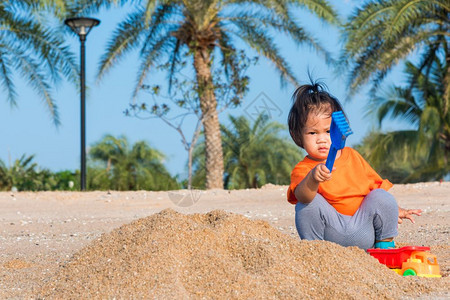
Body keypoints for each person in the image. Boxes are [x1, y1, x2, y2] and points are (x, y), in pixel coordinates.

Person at [287, 82, 421, 250]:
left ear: (338, 131)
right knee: (306, 205)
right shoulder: (304, 168)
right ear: (298, 135)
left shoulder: (352, 156)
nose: (321, 139)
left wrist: (395, 210)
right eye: (312, 133)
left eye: (328, 131)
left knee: (382, 196)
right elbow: (302, 197)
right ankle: (315, 251)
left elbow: (375, 191)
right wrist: (312, 179)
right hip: (329, 235)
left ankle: (384, 248)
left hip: (363, 229)